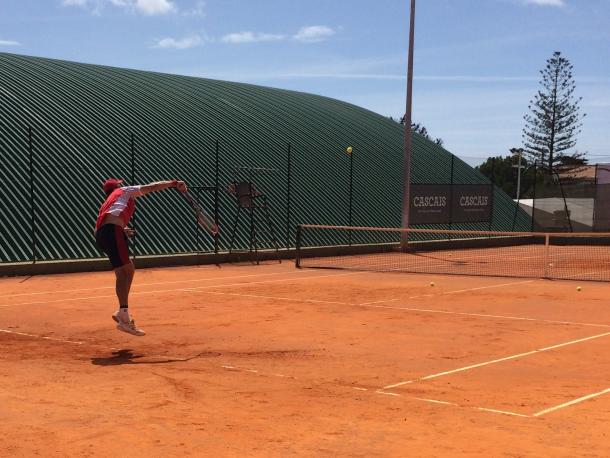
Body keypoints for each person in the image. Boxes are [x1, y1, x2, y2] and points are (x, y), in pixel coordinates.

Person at [94, 178, 187, 336]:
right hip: (111, 231)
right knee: (127, 270)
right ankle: (123, 317)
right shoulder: (123, 191)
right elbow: (152, 187)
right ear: (117, 187)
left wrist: (122, 230)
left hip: (103, 235)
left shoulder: (108, 203)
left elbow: (104, 225)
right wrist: (173, 183)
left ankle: (121, 312)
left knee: (122, 272)